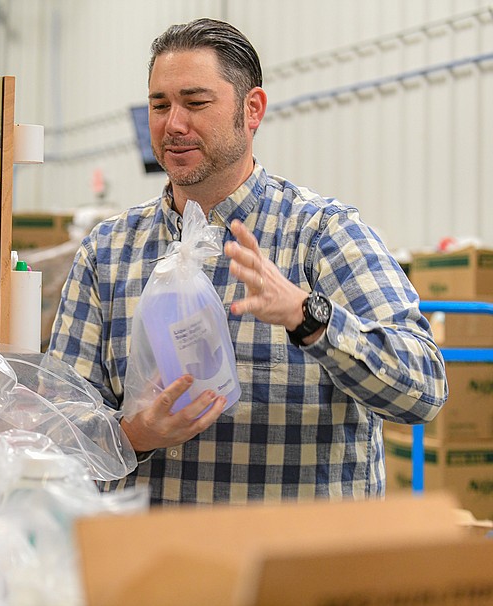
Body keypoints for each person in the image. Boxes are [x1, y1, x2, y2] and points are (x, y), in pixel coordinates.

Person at [47, 18, 447, 505]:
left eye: (195, 103)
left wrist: (310, 317)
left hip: (295, 569)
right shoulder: (108, 253)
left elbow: (424, 389)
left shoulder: (322, 235)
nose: (173, 124)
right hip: (156, 568)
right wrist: (134, 436)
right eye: (159, 105)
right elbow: (58, 430)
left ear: (251, 109)